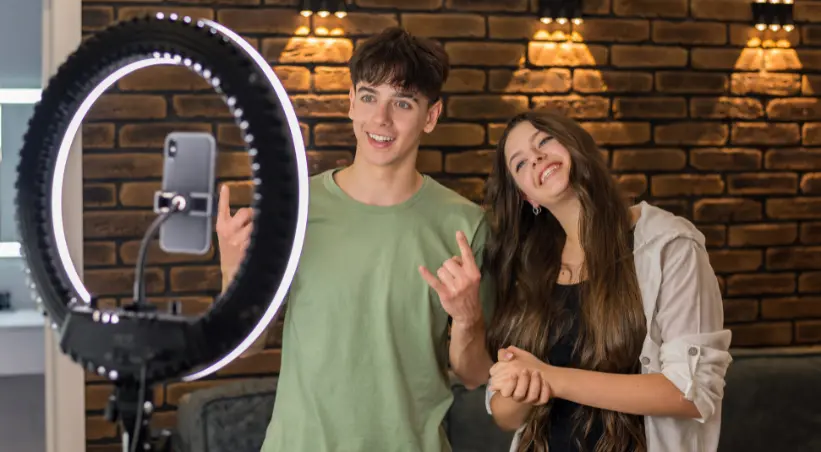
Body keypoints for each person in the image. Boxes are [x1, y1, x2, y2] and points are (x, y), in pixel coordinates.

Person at [215, 27, 495, 452]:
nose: (380, 119)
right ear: (350, 103)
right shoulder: (294, 211)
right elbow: (246, 350)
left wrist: (469, 319)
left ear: (431, 116)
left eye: (402, 103)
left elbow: (476, 375)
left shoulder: (466, 226)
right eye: (369, 97)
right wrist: (233, 270)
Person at [479, 109, 733, 452]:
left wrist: (552, 378)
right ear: (527, 197)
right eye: (520, 163)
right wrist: (520, 383)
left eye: (544, 141)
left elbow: (689, 392)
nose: (536, 158)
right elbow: (506, 416)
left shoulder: (669, 244)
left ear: (576, 145)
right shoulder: (530, 266)